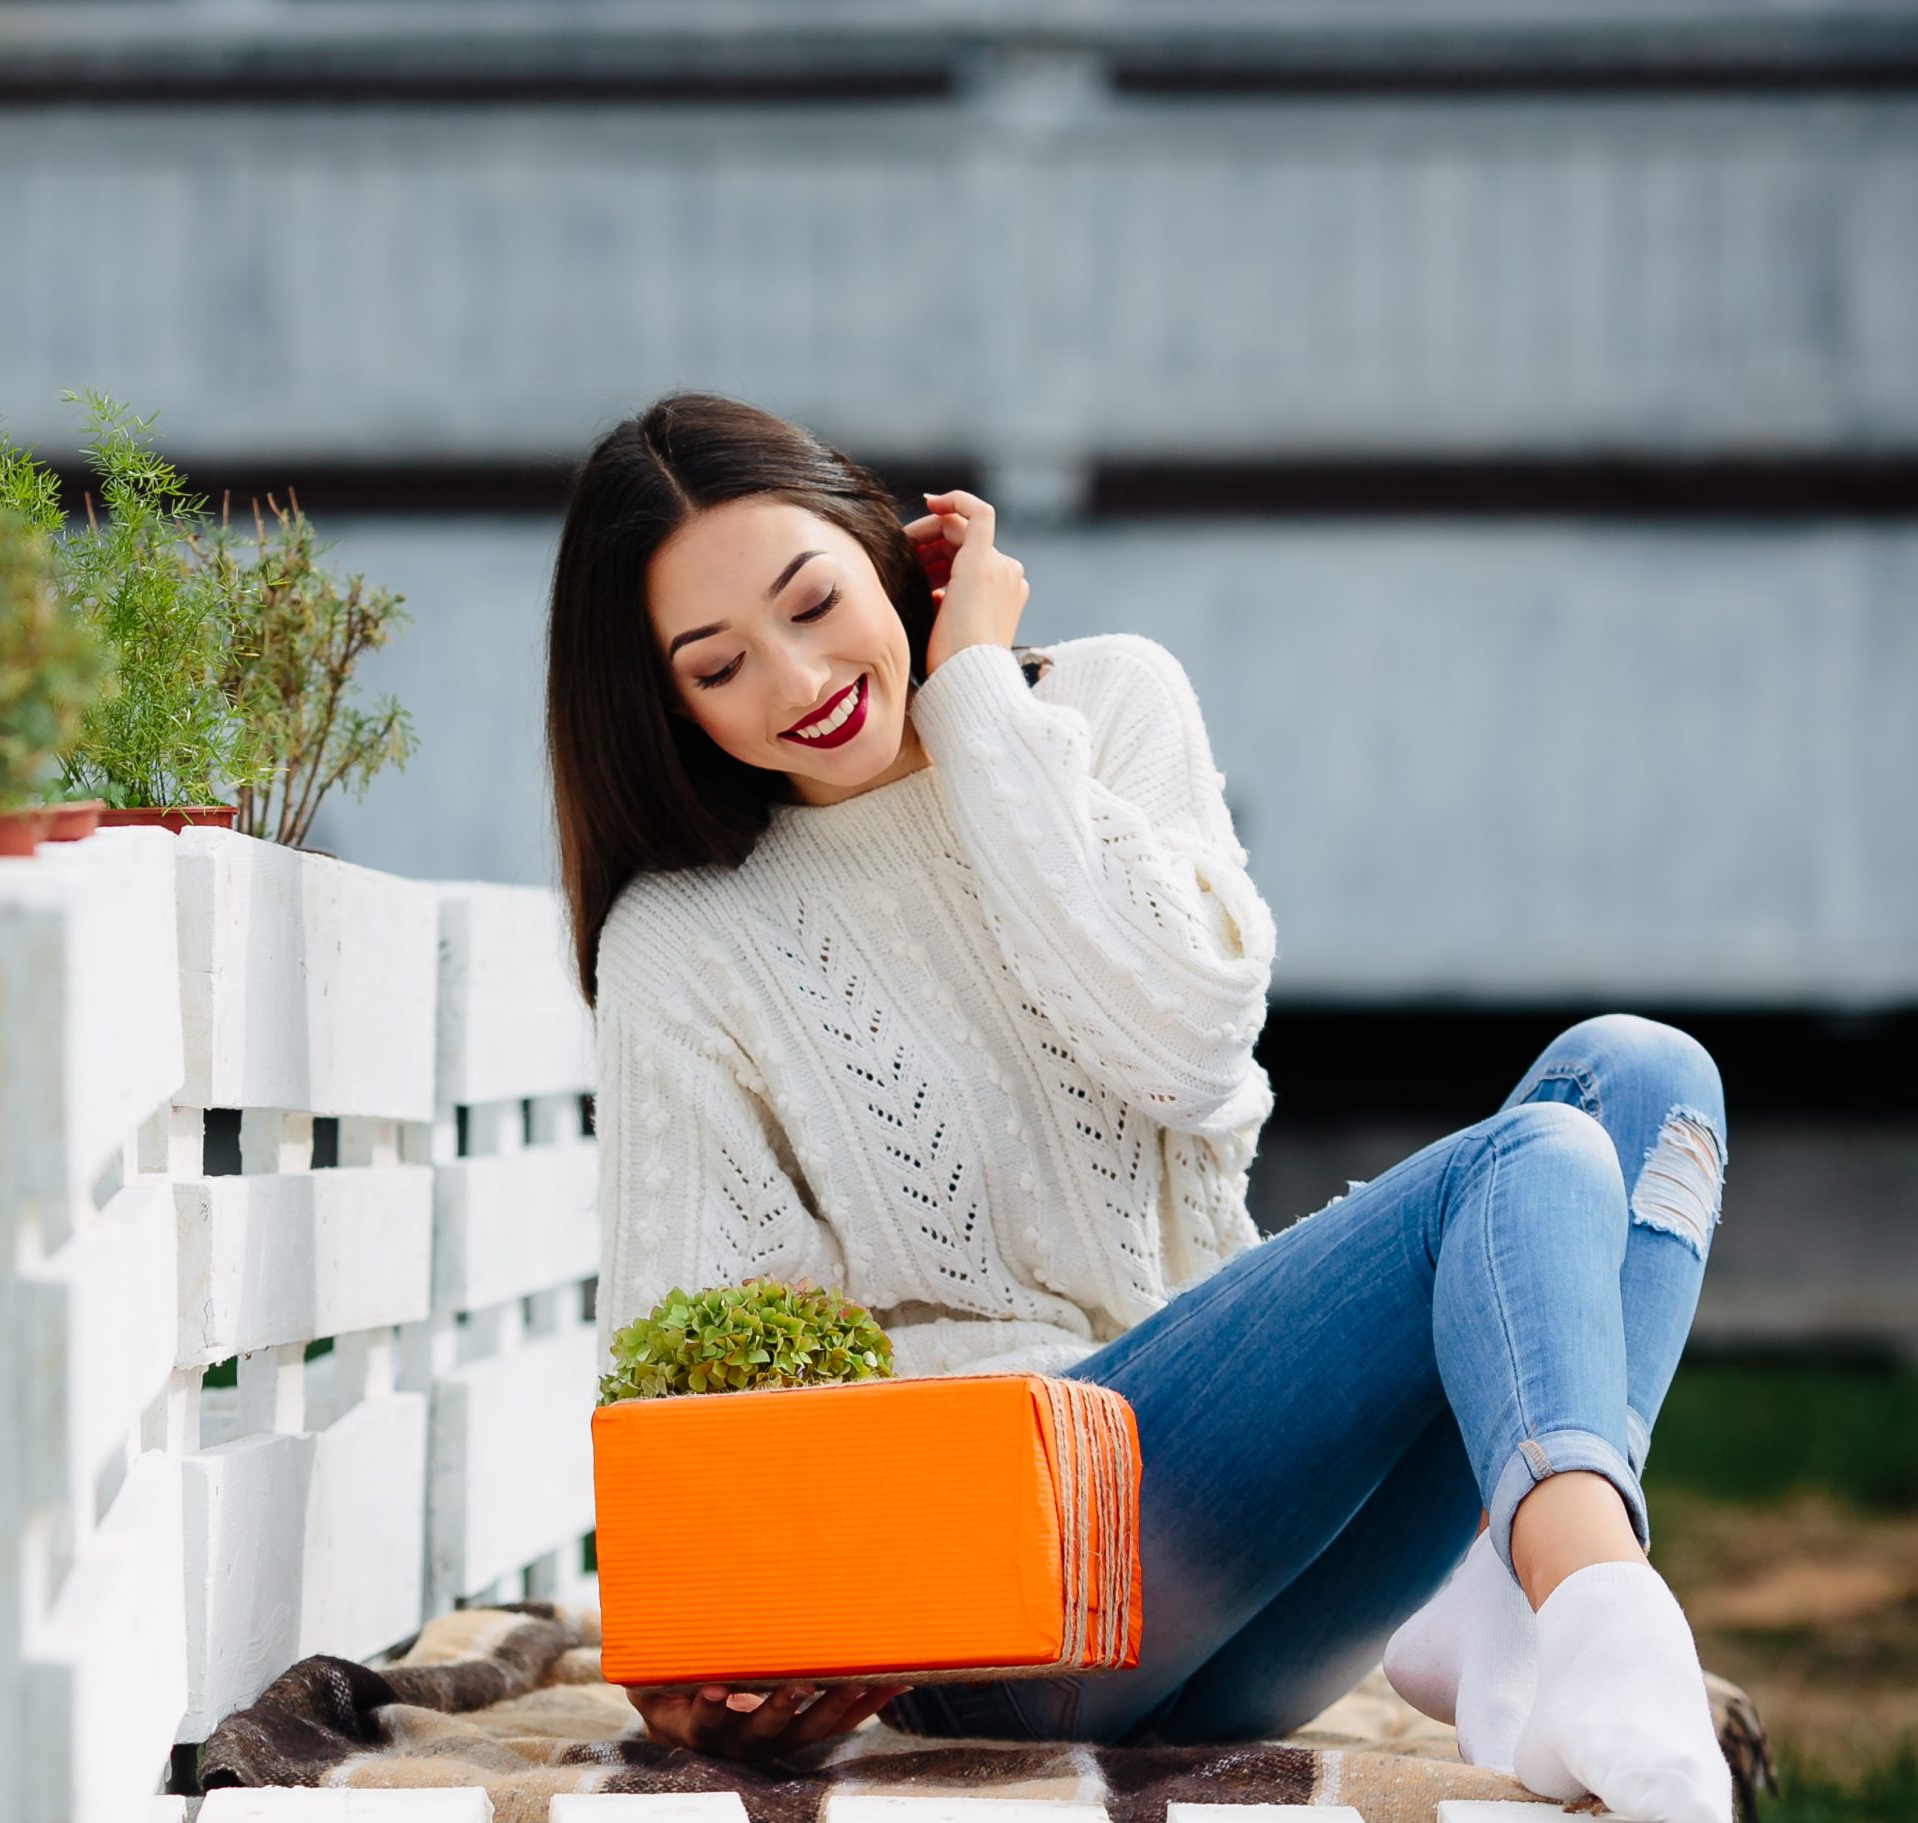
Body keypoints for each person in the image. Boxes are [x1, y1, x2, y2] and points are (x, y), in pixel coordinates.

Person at [545, 391, 1737, 1823]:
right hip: (991, 1599)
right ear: (663, 701)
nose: (798, 678)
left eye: (814, 601)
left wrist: (979, 696)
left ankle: (1520, 1606)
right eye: (719, 664)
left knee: (1645, 1080)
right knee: (1534, 1155)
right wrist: (724, 1647)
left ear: (889, 555)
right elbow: (684, 1370)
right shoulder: (686, 938)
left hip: (1249, 1563)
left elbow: (1181, 1046)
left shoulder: (1101, 708)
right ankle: (1589, 1610)